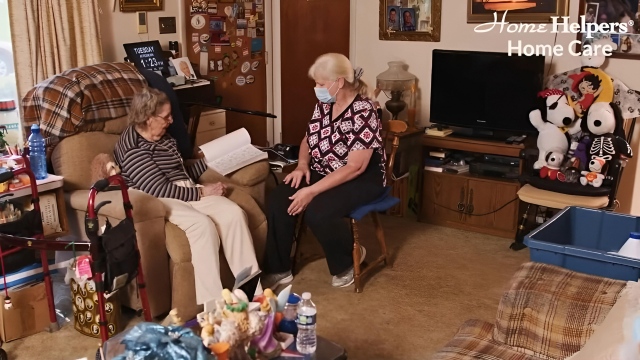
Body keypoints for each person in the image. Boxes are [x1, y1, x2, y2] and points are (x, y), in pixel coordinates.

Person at [114, 87, 260, 309]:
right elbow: (157, 188)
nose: (171, 121)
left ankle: (251, 293)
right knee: (202, 225)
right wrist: (202, 192)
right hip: (159, 198)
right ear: (148, 118)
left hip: (186, 189)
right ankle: (213, 306)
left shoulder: (163, 137)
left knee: (234, 213)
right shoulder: (133, 147)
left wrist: (209, 161)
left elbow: (181, 173)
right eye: (166, 117)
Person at [261, 53, 387, 289]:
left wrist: (311, 191)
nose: (316, 88)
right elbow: (309, 139)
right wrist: (301, 165)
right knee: (280, 198)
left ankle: (349, 259)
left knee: (318, 210)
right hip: (325, 169)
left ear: (338, 82)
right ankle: (279, 268)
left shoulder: (364, 111)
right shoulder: (325, 104)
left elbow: (355, 167)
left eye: (320, 84)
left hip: (361, 178)